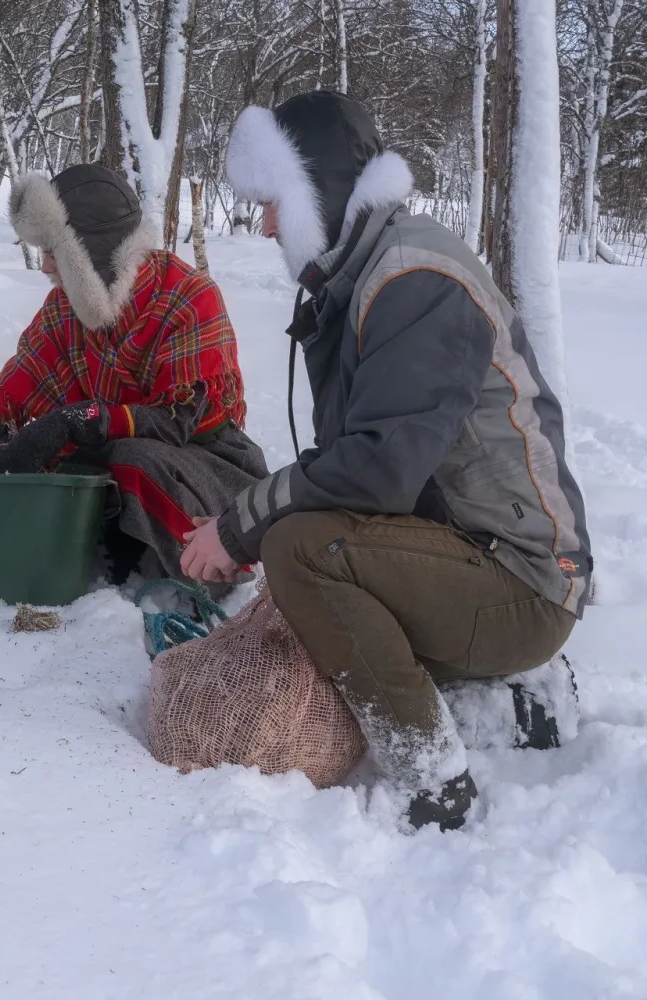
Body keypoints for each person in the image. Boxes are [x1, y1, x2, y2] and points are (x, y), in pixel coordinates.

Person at [180, 90, 591, 831]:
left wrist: (242, 526)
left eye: (275, 201)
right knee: (315, 565)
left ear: (319, 192)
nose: (265, 222)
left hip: (524, 579)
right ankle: (515, 697)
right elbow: (352, 462)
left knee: (299, 550)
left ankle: (435, 779)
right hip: (478, 554)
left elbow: (375, 473)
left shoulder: (413, 279)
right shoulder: (366, 272)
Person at [0, 164, 267, 589]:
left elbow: (183, 418)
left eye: (53, 250)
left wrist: (88, 418)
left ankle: (211, 569)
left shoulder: (189, 296)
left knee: (133, 459)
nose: (46, 266)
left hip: (209, 466)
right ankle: (102, 550)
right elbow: (19, 383)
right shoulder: (65, 307)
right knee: (19, 451)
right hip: (113, 450)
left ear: (87, 252)